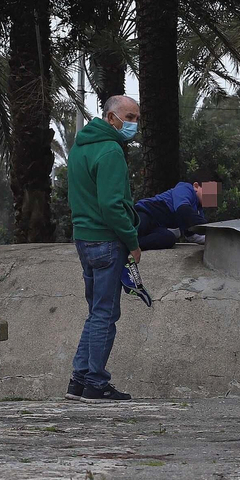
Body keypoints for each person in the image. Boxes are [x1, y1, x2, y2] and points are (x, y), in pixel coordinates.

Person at [65, 94, 141, 403]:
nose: (134, 124)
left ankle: (78, 381)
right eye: (130, 117)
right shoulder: (111, 151)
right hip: (108, 241)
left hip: (84, 239)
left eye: (137, 118)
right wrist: (133, 242)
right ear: (111, 118)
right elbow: (112, 206)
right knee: (105, 315)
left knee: (95, 312)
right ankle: (96, 383)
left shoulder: (79, 148)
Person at [134, 178, 215, 250]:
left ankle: (134, 245)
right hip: (145, 212)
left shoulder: (197, 210)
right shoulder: (185, 188)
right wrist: (210, 229)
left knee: (169, 239)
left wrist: (214, 239)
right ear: (196, 186)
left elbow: (193, 236)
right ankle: (129, 242)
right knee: (139, 228)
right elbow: (183, 209)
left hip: (156, 227)